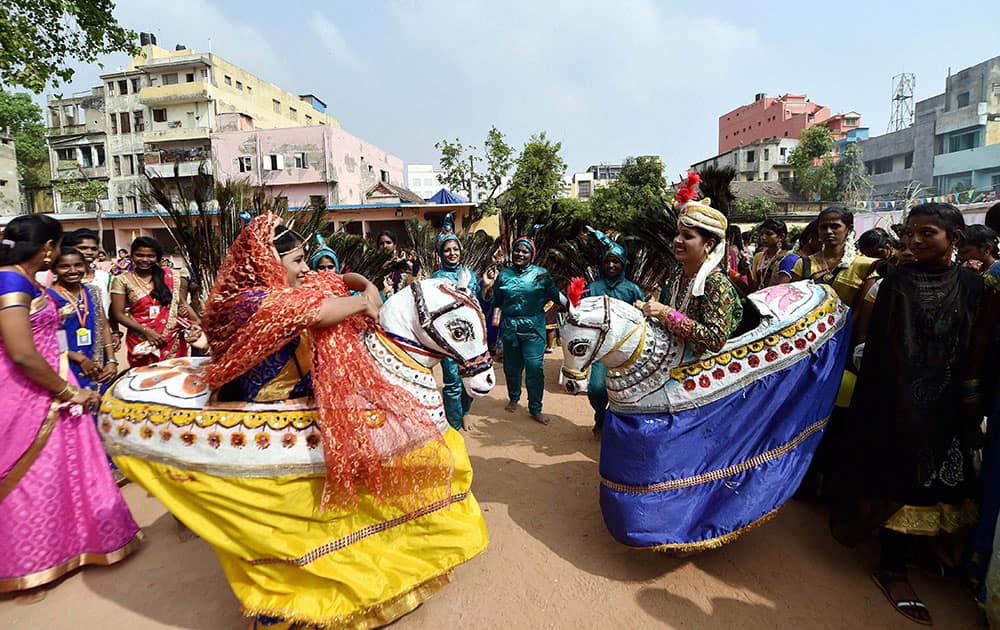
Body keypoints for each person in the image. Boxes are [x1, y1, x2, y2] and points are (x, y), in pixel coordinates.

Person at [114, 214, 488, 628]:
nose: (305, 268)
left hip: (301, 397)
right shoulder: (257, 301)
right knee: (292, 515)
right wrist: (366, 299)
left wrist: (361, 283)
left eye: (306, 259)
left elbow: (331, 283)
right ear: (269, 261)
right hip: (262, 410)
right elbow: (319, 310)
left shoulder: (286, 286)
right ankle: (290, 596)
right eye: (295, 260)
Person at [830, 203, 987, 626]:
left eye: (927, 233)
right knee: (897, 475)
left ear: (953, 239)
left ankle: (922, 555)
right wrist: (893, 400)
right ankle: (892, 568)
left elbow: (977, 345)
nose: (915, 241)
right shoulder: (896, 281)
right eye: (911, 233)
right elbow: (884, 346)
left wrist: (969, 397)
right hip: (897, 400)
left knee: (938, 481)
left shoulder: (976, 287)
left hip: (949, 400)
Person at [0, 215, 140, 597]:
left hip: (51, 386)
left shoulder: (25, 280)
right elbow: (22, 354)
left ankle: (68, 548)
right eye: (58, 246)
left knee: (65, 473)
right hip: (25, 395)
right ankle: (26, 563)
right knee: (29, 478)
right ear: (47, 249)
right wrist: (66, 392)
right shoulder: (9, 280)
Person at [641, 196, 743, 355]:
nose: (677, 241)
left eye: (687, 236)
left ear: (708, 245)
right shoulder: (678, 273)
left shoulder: (716, 283)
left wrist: (665, 313)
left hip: (703, 367)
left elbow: (715, 339)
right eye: (677, 234)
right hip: (671, 356)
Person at [482, 232, 563, 425]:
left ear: (531, 255)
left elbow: (555, 295)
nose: (520, 254)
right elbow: (497, 302)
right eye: (517, 250)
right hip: (510, 326)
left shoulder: (541, 274)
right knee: (512, 367)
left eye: (525, 251)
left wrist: (572, 306)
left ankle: (535, 408)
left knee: (535, 368)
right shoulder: (504, 275)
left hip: (533, 327)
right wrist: (494, 319)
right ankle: (513, 398)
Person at [585, 229, 644, 437]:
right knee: (596, 389)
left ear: (623, 264)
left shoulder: (632, 290)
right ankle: (601, 418)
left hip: (628, 352)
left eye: (616, 261)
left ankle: (621, 428)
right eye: (608, 261)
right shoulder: (592, 288)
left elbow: (642, 320)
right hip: (601, 351)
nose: (611, 265)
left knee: (628, 393)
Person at [788, 207, 879, 336]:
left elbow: (862, 312)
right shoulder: (804, 264)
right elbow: (794, 305)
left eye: (835, 226)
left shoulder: (866, 266)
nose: (829, 231)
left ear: (849, 229)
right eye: (823, 227)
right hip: (809, 336)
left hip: (847, 336)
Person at [110, 236, 198, 367]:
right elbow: (118, 314)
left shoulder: (169, 276)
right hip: (141, 340)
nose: (145, 260)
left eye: (150, 256)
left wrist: (196, 322)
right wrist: (147, 332)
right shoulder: (122, 280)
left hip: (172, 339)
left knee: (174, 380)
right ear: (132, 256)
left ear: (157, 257)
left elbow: (182, 303)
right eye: (139, 255)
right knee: (144, 381)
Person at [430, 218, 482, 430]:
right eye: (447, 250)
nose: (452, 253)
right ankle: (453, 422)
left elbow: (479, 304)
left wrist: (486, 289)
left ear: (461, 251)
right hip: (449, 336)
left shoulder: (469, 275)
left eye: (455, 249)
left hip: (469, 337)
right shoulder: (436, 277)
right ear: (441, 254)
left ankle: (466, 411)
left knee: (469, 376)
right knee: (452, 380)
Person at [47, 247, 117, 393]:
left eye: (78, 265)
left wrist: (111, 360)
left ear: (85, 266)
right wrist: (79, 358)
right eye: (64, 266)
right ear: (53, 269)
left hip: (99, 362)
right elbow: (51, 336)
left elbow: (104, 326)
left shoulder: (92, 291)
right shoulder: (48, 297)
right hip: (67, 363)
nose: (72, 271)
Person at [750, 218, 797, 290]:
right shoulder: (758, 256)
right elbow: (753, 284)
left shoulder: (788, 258)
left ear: (781, 237)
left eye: (769, 234)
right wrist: (747, 268)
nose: (763, 237)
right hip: (759, 297)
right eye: (761, 234)